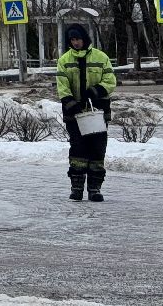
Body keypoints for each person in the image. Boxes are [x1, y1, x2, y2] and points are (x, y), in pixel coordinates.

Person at [56, 23, 116, 201]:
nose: (76, 43)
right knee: (78, 149)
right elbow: (62, 86)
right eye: (73, 40)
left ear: (85, 39)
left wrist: (96, 91)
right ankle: (76, 188)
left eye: (78, 39)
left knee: (97, 150)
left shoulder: (101, 57)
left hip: (97, 111)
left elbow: (110, 80)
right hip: (74, 113)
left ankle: (94, 189)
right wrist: (70, 102)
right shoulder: (64, 60)